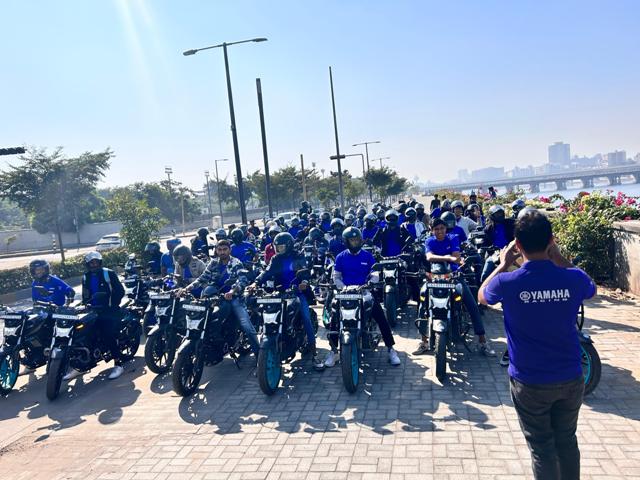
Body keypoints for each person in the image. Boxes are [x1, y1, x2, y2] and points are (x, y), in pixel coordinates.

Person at [479, 211, 595, 480]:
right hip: (570, 377)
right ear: (551, 240)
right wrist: (559, 258)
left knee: (542, 448)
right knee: (567, 441)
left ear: (518, 245)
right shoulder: (572, 278)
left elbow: (482, 296)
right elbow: (591, 288)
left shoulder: (506, 282)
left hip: (529, 382)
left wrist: (502, 264)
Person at [413, 219, 495, 356]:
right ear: (432, 230)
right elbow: (429, 257)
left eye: (442, 228)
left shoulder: (453, 238)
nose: (439, 231)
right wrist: (448, 257)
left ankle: (482, 342)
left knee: (472, 305)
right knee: (423, 305)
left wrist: (450, 258)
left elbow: (456, 257)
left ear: (446, 229)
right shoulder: (429, 241)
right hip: (434, 278)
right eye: (436, 229)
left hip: (455, 276)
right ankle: (424, 342)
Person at [325, 227, 401, 367]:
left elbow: (375, 273)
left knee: (381, 316)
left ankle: (391, 349)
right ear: (346, 242)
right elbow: (336, 277)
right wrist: (343, 287)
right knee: (334, 317)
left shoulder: (367, 256)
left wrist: (370, 282)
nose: (355, 242)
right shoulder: (340, 257)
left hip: (365, 292)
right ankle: (334, 351)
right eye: (352, 240)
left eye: (357, 240)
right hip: (345, 293)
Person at [252, 233, 325, 370]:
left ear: (289, 246)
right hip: (280, 293)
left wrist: (304, 282)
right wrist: (255, 283)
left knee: (306, 318)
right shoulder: (275, 259)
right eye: (277, 247)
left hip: (297, 293)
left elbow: (305, 271)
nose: (278, 249)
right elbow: (266, 272)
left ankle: (314, 354)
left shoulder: (298, 256)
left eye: (281, 247)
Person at [182, 240, 260, 356]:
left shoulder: (235, 262)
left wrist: (232, 291)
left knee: (246, 325)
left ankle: (259, 356)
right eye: (220, 250)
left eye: (225, 249)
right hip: (215, 297)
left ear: (229, 250)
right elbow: (202, 278)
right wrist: (187, 288)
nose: (222, 252)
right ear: (216, 250)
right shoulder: (213, 263)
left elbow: (242, 280)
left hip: (233, 297)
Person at [73, 251, 126, 380]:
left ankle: (118, 363)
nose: (94, 265)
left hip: (109, 311)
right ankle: (80, 365)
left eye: (96, 262)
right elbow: (85, 294)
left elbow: (120, 291)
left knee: (107, 334)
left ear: (100, 262)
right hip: (93, 311)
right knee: (81, 333)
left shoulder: (108, 273)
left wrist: (111, 304)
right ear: (87, 264)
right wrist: (84, 305)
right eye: (91, 263)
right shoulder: (86, 277)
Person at [480, 205, 516, 283]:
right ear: (492, 215)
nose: (500, 215)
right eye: (497, 214)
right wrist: (487, 248)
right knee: (485, 273)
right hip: (495, 254)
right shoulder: (488, 229)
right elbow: (485, 243)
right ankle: (484, 288)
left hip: (511, 251)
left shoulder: (511, 223)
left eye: (501, 213)